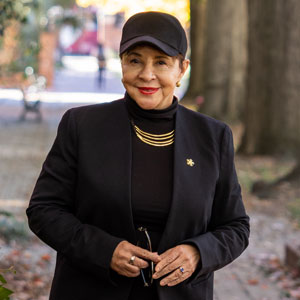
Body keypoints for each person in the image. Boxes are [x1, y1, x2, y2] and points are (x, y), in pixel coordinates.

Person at [26, 11, 249, 300]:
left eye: (161, 62)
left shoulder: (213, 137)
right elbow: (44, 210)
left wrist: (198, 253)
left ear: (182, 69)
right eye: (135, 60)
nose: (147, 74)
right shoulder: (82, 126)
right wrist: (105, 251)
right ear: (122, 65)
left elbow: (236, 227)